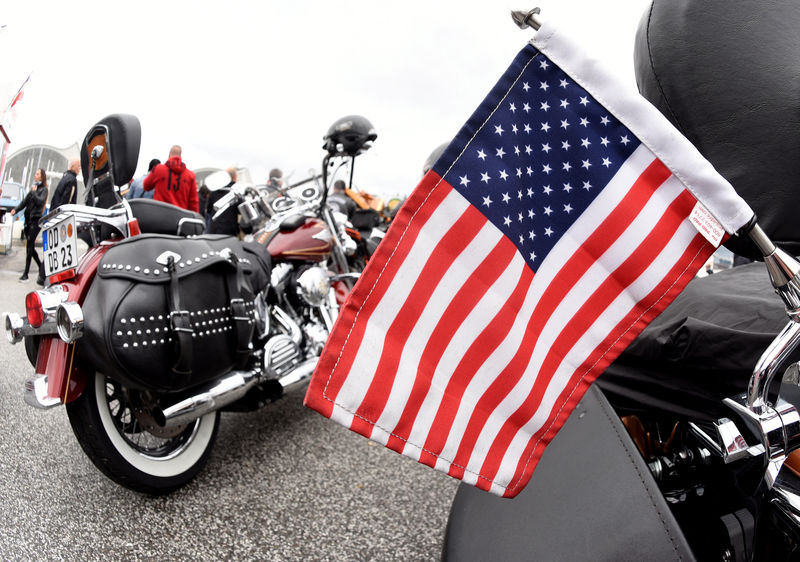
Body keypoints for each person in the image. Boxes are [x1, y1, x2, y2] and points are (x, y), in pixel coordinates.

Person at [10, 168, 48, 284]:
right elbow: (24, 202)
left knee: (29, 246)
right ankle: (42, 267)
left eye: (37, 174)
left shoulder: (43, 190)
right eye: (35, 173)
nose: (35, 175)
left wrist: (34, 192)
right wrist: (15, 210)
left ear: (41, 177)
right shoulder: (34, 189)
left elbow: (40, 202)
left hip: (36, 221)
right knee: (31, 247)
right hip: (28, 221)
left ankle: (25, 274)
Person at [143, 146, 198, 212]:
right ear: (180, 156)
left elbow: (146, 186)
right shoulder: (190, 175)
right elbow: (193, 202)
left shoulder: (158, 169)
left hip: (159, 214)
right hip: (179, 217)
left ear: (169, 155)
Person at [207, 167, 239, 236]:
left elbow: (208, 210)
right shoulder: (236, 192)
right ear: (235, 177)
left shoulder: (214, 190)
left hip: (213, 231)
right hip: (229, 232)